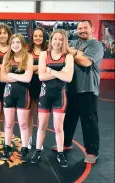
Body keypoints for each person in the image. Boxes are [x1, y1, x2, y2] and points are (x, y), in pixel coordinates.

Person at [51, 20, 104, 164]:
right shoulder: (74, 43)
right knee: (69, 119)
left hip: (88, 89)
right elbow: (62, 53)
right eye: (80, 28)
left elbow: (85, 62)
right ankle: (66, 143)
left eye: (85, 28)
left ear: (91, 29)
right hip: (71, 88)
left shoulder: (96, 45)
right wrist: (75, 52)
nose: (82, 30)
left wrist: (71, 54)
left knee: (89, 121)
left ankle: (92, 152)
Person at [31, 29, 74, 168]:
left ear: (64, 41)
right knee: (42, 125)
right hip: (45, 95)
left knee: (58, 127)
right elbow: (41, 77)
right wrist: (60, 73)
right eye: (55, 38)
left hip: (59, 96)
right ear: (51, 40)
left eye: (61, 39)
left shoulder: (68, 57)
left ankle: (60, 153)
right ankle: (38, 150)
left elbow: (68, 77)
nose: (57, 41)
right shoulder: (44, 54)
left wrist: (50, 70)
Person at [0, 34, 33, 162]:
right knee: (8, 123)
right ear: (10, 44)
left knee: (23, 124)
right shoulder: (7, 57)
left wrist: (11, 74)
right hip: (8, 94)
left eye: (18, 42)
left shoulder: (28, 57)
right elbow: (2, 78)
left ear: (22, 44)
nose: (15, 45)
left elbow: (28, 78)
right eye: (13, 42)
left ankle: (24, 149)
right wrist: (20, 76)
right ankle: (7, 148)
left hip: (23, 94)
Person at [27, 28, 47, 150]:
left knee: (41, 114)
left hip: (43, 85)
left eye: (40, 36)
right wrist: (40, 67)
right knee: (29, 114)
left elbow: (47, 67)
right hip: (29, 85)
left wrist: (33, 68)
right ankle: (28, 137)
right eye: (36, 36)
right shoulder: (27, 51)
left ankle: (40, 140)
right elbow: (25, 67)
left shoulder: (47, 51)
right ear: (32, 37)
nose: (38, 38)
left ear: (43, 38)